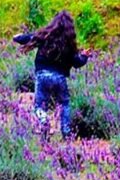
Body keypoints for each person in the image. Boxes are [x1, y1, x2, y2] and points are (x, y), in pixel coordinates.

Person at [13, 11, 91, 139]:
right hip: (60, 78)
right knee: (65, 104)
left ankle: (44, 121)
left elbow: (24, 38)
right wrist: (85, 56)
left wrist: (16, 37)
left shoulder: (44, 36)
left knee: (39, 105)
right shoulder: (69, 44)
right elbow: (77, 63)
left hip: (42, 76)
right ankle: (66, 133)